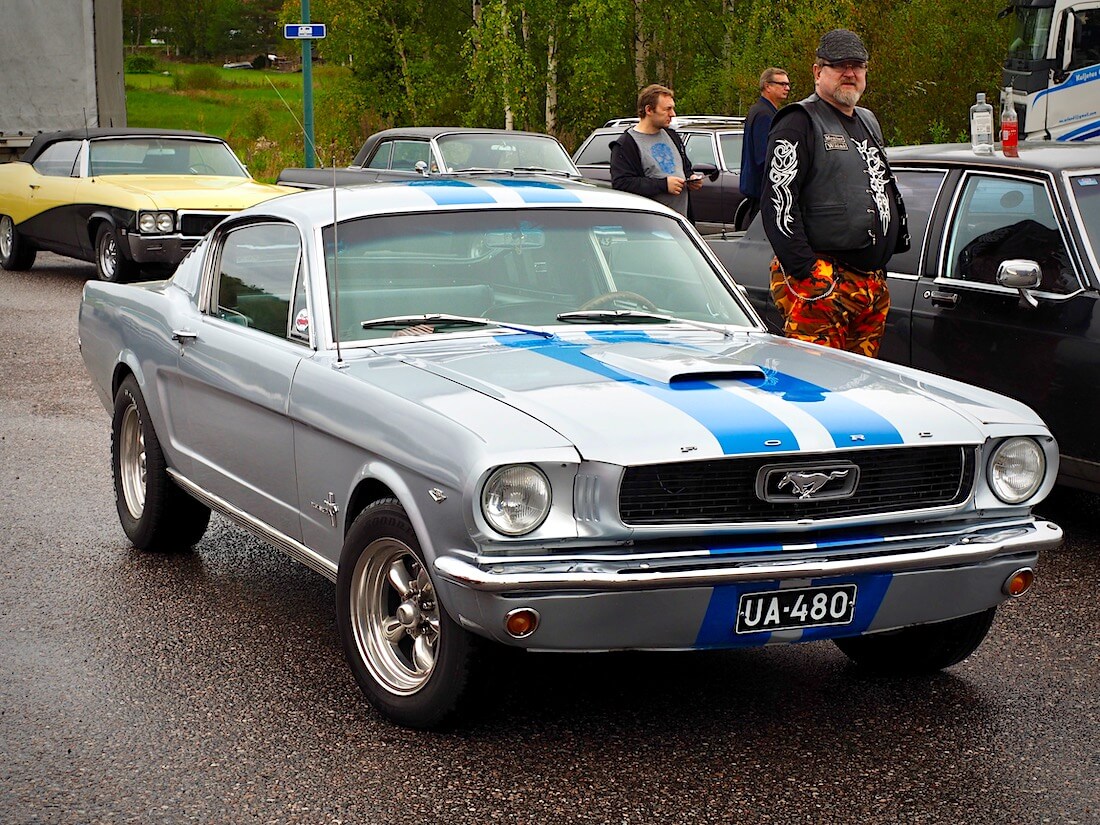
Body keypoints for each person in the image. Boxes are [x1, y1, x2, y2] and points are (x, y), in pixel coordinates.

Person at [760, 29, 909, 359]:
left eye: (857, 65)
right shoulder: (797, 121)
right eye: (839, 65)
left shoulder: (867, 120)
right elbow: (777, 199)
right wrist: (806, 271)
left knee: (859, 388)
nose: (850, 73)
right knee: (817, 387)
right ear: (817, 72)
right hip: (822, 282)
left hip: (870, 284)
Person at [610, 84, 703, 220]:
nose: (673, 114)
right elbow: (622, 183)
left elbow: (684, 168)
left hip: (680, 224)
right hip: (649, 226)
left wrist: (691, 178)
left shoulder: (672, 135)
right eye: (667, 109)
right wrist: (663, 185)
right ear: (649, 110)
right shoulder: (626, 144)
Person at [739, 67, 790, 228]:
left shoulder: (764, 111)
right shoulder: (764, 114)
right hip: (762, 192)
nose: (787, 88)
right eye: (782, 84)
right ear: (767, 86)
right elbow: (764, 157)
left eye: (788, 84)